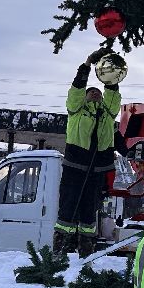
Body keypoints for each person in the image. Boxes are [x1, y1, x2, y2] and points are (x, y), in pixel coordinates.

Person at [54, 47, 122, 255]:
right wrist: (86, 65)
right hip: (75, 166)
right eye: (91, 91)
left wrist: (108, 71)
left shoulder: (108, 114)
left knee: (89, 210)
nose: (95, 93)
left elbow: (112, 94)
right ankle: (61, 247)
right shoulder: (76, 110)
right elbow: (76, 89)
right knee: (67, 206)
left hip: (97, 168)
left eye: (98, 92)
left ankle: (86, 246)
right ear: (84, 97)